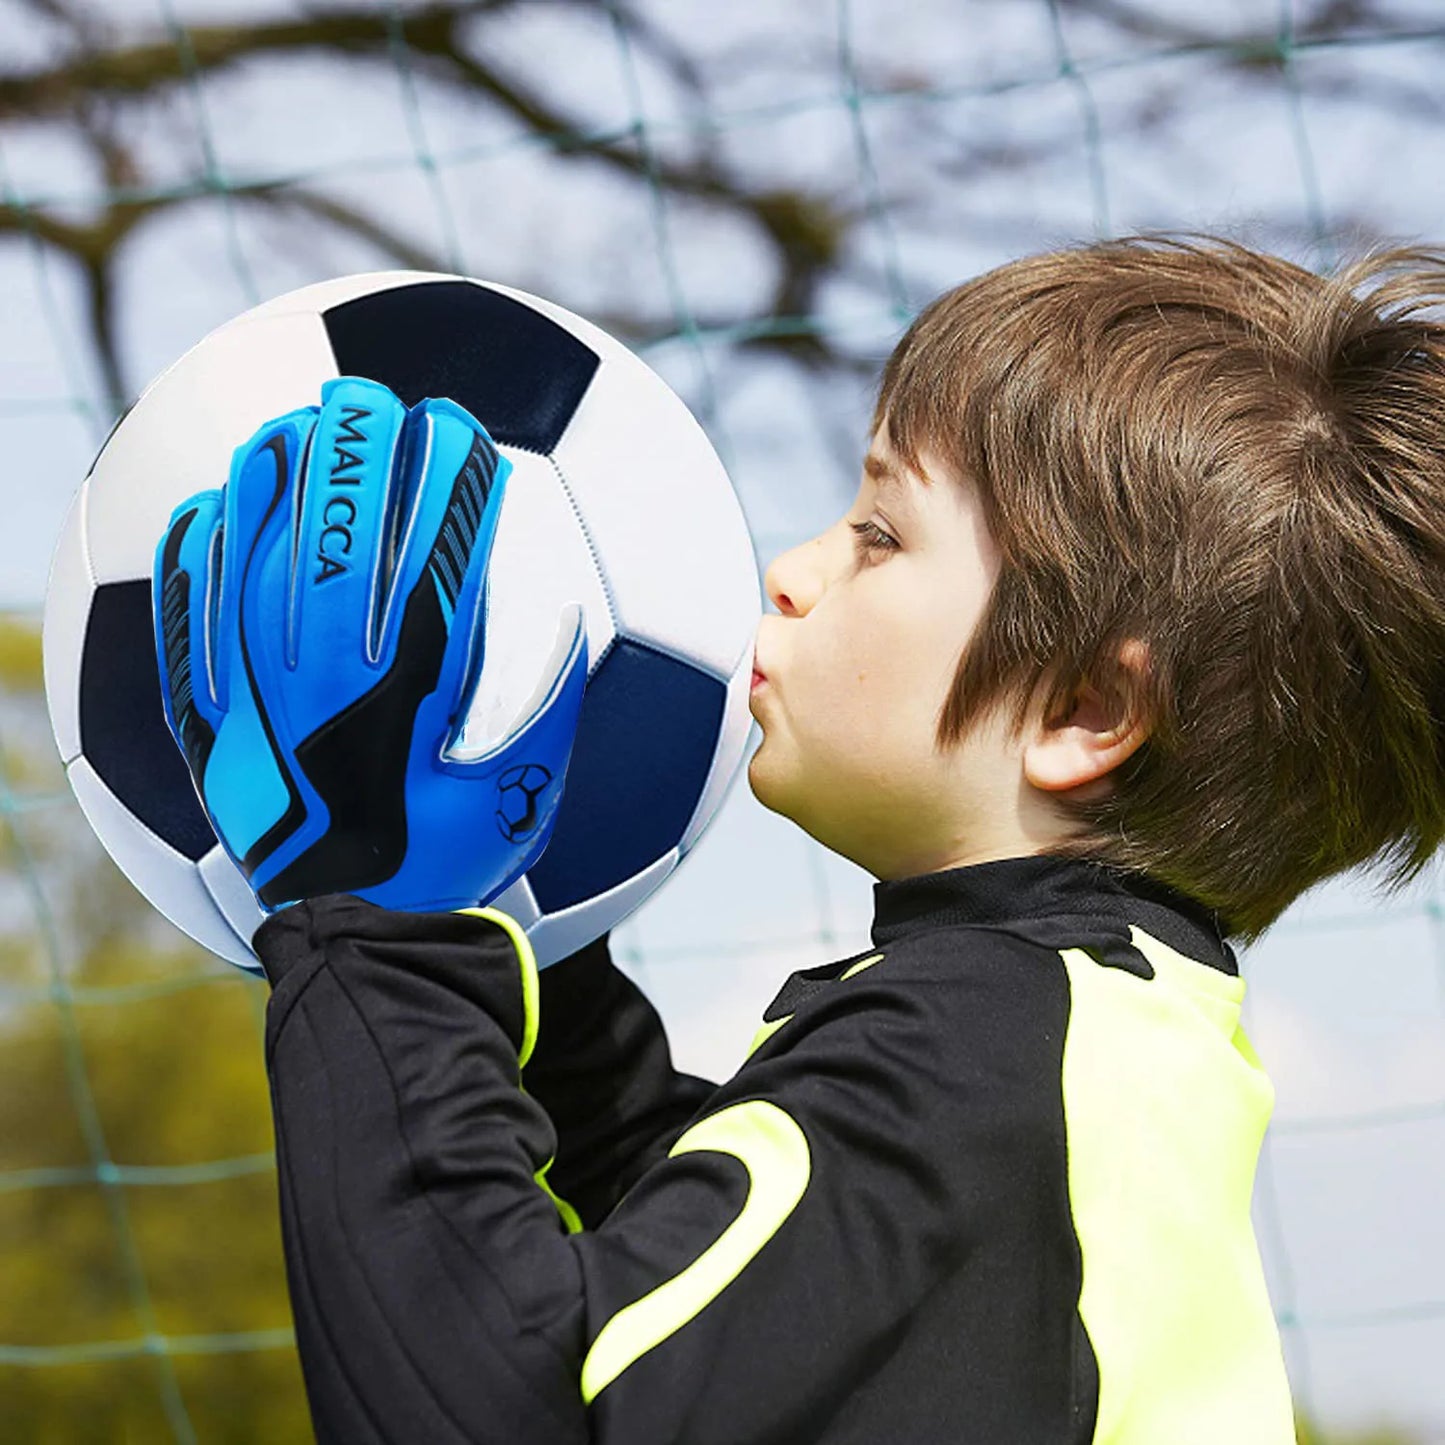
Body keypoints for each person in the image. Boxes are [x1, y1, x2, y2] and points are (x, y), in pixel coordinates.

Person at [161, 234, 1445, 1443]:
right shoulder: (1096, 1028)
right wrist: (519, 921)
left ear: (1083, 709)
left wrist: (378, 916)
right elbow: (711, 1278)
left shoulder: (981, 1051)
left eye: (879, 534)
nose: (793, 568)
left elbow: (518, 1406)